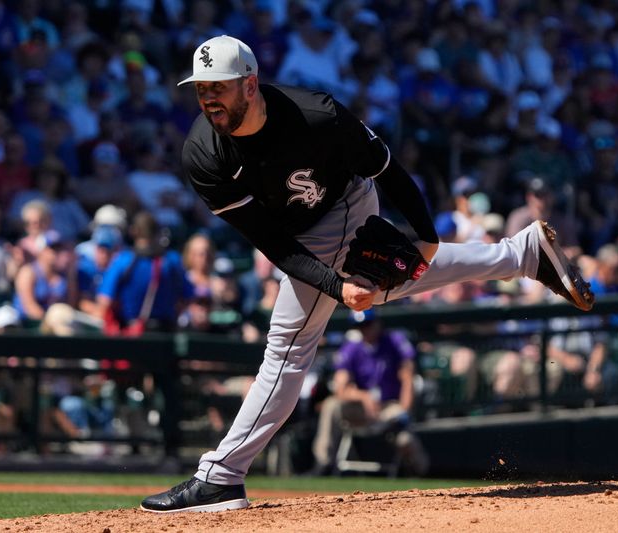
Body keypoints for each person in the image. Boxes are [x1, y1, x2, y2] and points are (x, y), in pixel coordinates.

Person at [141, 35, 594, 514]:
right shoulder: (204, 154)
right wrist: (339, 286)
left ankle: (221, 478)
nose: (208, 96)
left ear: (250, 85)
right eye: (201, 87)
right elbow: (273, 244)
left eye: (221, 86)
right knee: (370, 295)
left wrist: (425, 238)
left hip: (342, 203)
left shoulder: (316, 115)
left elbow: (389, 171)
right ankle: (522, 254)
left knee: (289, 345)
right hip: (297, 232)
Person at [311, 309, 429, 476]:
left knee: (406, 440)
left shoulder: (394, 342)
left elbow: (407, 378)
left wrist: (404, 410)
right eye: (360, 326)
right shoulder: (351, 347)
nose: (364, 330)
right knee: (331, 405)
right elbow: (340, 388)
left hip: (390, 406)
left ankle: (422, 473)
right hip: (362, 409)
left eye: (368, 325)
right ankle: (323, 463)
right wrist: (363, 396)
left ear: (378, 323)